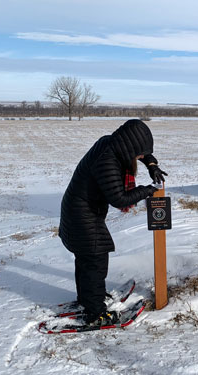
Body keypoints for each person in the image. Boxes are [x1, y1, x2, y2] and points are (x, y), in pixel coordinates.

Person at [59, 119, 167, 326]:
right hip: (81, 213)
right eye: (140, 154)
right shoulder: (107, 161)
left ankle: (89, 298)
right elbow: (119, 199)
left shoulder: (111, 143)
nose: (142, 157)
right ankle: (95, 313)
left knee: (87, 258)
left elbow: (141, 153)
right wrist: (148, 190)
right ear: (130, 147)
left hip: (81, 209)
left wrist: (152, 165)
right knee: (95, 260)